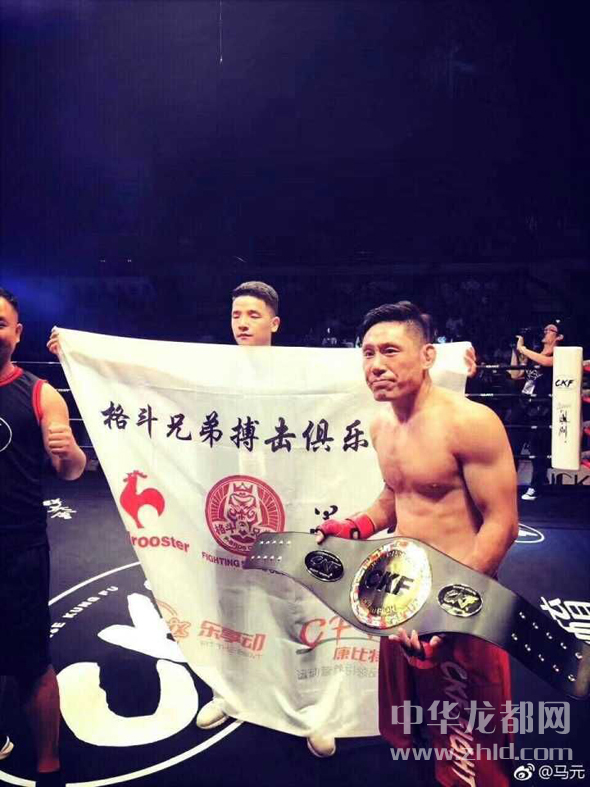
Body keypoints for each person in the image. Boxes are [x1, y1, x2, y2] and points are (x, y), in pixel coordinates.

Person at [48, 280, 336, 758]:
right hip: (224, 509)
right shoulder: (211, 367)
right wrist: (81, 353)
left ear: (275, 322)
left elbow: (361, 379)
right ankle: (232, 694)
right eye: (236, 314)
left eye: (253, 315)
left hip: (286, 508)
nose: (242, 323)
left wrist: (444, 365)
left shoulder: (299, 371)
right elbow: (147, 368)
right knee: (230, 608)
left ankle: (311, 710)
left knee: (295, 610)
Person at [317, 301, 518, 787]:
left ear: (427, 356)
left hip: (462, 601)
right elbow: (396, 496)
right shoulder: (381, 425)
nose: (376, 365)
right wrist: (357, 526)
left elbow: (502, 524)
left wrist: (448, 608)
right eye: (368, 353)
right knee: (416, 730)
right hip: (403, 596)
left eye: (390, 350)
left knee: (471, 753)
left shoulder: (470, 422)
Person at [0, 287, 86, 787]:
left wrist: (69, 449)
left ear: (17, 333)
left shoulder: (39, 393)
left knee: (32, 661)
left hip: (19, 548)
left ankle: (48, 764)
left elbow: (70, 470)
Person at [506, 323, 563, 501]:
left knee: (537, 447)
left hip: (541, 405)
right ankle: (507, 484)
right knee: (511, 443)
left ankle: (536, 486)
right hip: (524, 401)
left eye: (550, 330)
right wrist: (515, 351)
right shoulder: (535, 353)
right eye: (544, 329)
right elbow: (516, 375)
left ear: (559, 337)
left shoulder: (560, 354)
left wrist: (523, 349)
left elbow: (547, 362)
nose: (545, 331)